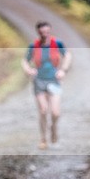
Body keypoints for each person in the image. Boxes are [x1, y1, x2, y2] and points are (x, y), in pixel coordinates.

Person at [21, 21, 72, 149]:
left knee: (55, 113)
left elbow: (67, 56)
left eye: (47, 32)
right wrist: (29, 70)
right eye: (42, 33)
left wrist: (63, 70)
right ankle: (43, 139)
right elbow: (25, 61)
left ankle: (53, 128)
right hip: (39, 81)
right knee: (43, 110)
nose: (45, 35)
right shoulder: (34, 46)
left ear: (50, 31)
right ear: (38, 32)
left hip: (54, 81)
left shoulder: (57, 43)